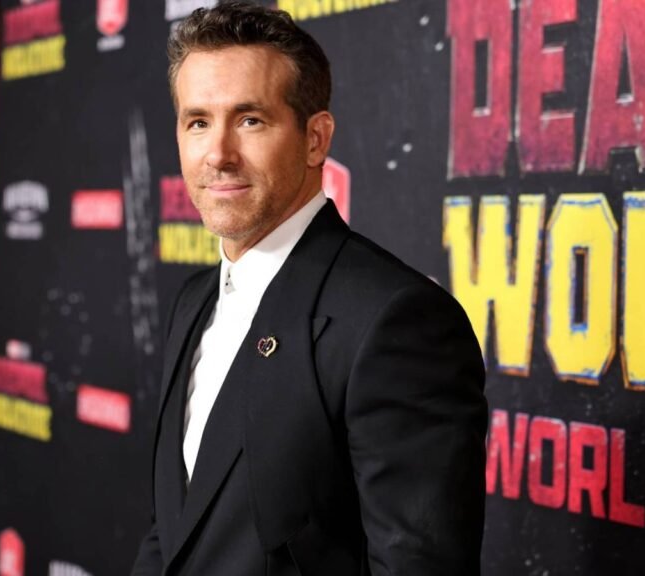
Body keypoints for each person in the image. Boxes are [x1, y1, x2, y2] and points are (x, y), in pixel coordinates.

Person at [131, 3, 488, 575]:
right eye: (197, 122)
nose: (218, 154)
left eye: (250, 120)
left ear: (316, 139)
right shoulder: (193, 301)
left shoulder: (396, 320)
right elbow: (173, 534)